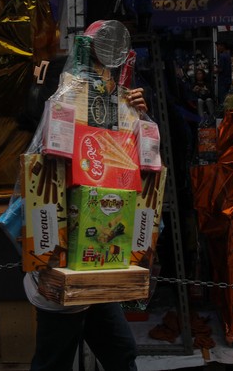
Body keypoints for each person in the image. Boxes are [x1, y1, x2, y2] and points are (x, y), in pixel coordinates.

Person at [25, 87, 148, 371]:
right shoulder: (50, 140)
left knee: (122, 352)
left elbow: (140, 165)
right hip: (60, 269)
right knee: (54, 361)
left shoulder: (100, 141)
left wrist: (136, 116)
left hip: (97, 267)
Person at [214, 41, 232, 114]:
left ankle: (224, 115)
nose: (217, 48)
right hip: (228, 80)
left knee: (223, 99)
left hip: (223, 80)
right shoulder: (228, 55)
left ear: (222, 46)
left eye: (217, 46)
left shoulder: (222, 56)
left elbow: (221, 69)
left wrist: (215, 70)